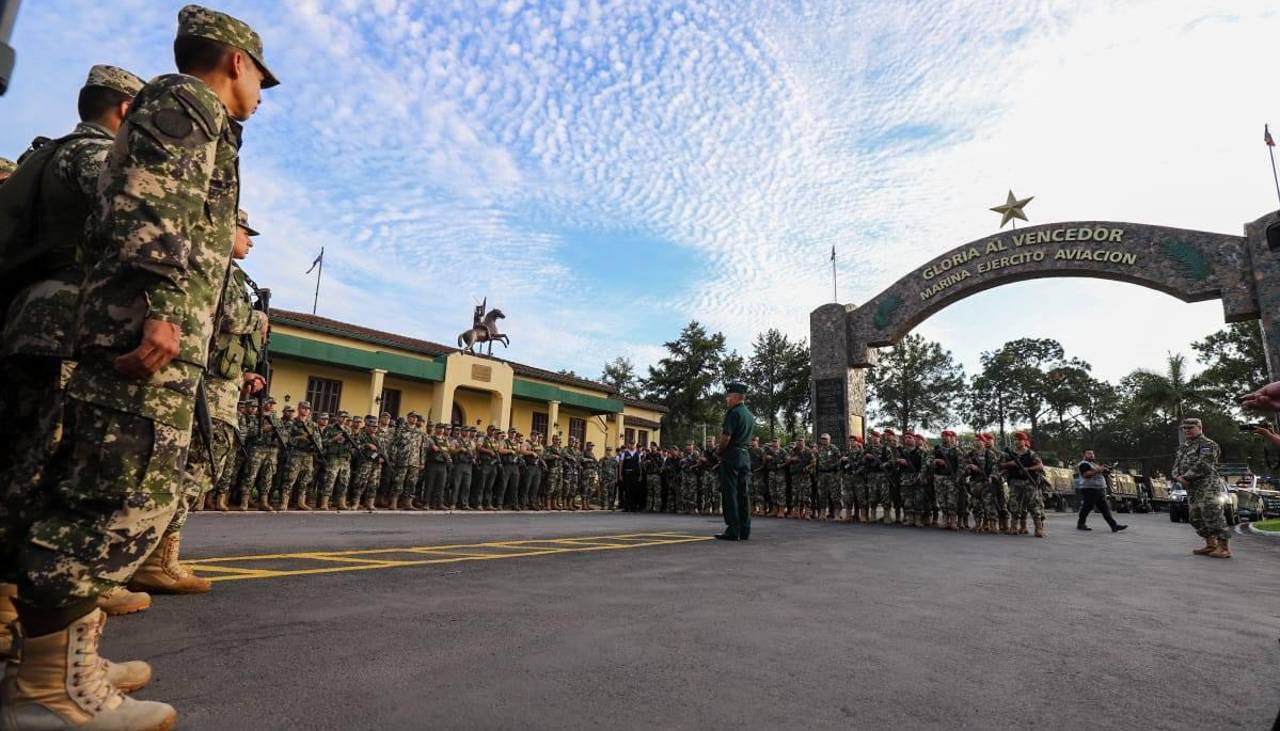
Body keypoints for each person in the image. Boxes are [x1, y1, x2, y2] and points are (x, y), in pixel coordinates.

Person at [3, 6, 277, 727]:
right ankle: (45, 685)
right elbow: (150, 196)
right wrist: (159, 301)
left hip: (154, 331)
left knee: (115, 488)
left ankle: (65, 660)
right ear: (237, 63)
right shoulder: (186, 100)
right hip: (146, 329)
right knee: (116, 495)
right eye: (260, 79)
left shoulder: (199, 117)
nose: (260, 94)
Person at [0, 65, 149, 623]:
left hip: (33, 314)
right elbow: (131, 216)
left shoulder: (43, 154)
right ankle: (32, 596)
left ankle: (37, 593)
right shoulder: (93, 156)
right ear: (128, 111)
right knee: (52, 457)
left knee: (26, 450)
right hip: (64, 319)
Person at [1171, 418, 1229, 558]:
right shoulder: (1184, 446)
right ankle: (1211, 544)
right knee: (1195, 517)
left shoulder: (1208, 444)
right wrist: (1177, 476)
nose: (1186, 430)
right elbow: (1176, 465)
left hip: (1207, 486)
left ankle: (1224, 547)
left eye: (1190, 427)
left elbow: (1204, 464)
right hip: (1191, 487)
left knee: (1212, 515)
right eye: (1184, 428)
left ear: (1199, 427)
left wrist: (1185, 477)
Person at [715, 382, 754, 540]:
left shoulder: (733, 413)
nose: (727, 399)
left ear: (736, 397)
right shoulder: (749, 415)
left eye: (729, 396)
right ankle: (745, 529)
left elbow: (726, 437)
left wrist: (719, 450)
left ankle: (733, 529)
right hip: (745, 455)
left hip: (732, 455)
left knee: (730, 492)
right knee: (743, 493)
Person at [1003, 432, 1047, 538]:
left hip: (1029, 482)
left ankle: (1039, 528)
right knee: (1014, 505)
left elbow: (1040, 466)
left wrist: (1028, 469)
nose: (1017, 442)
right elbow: (1001, 465)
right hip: (1015, 482)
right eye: (1015, 440)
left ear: (1024, 441)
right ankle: (1014, 527)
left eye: (1019, 439)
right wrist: (1010, 464)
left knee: (1034, 505)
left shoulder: (1031, 454)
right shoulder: (1010, 454)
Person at [1075, 449, 1127, 532]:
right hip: (1090, 489)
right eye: (1089, 454)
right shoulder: (1083, 464)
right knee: (1087, 507)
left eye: (1092, 453)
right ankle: (1081, 524)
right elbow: (1086, 475)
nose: (1091, 455)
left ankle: (1114, 526)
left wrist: (1106, 470)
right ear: (1084, 455)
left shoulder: (1094, 464)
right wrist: (1099, 469)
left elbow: (1101, 474)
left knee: (1105, 509)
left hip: (1099, 489)